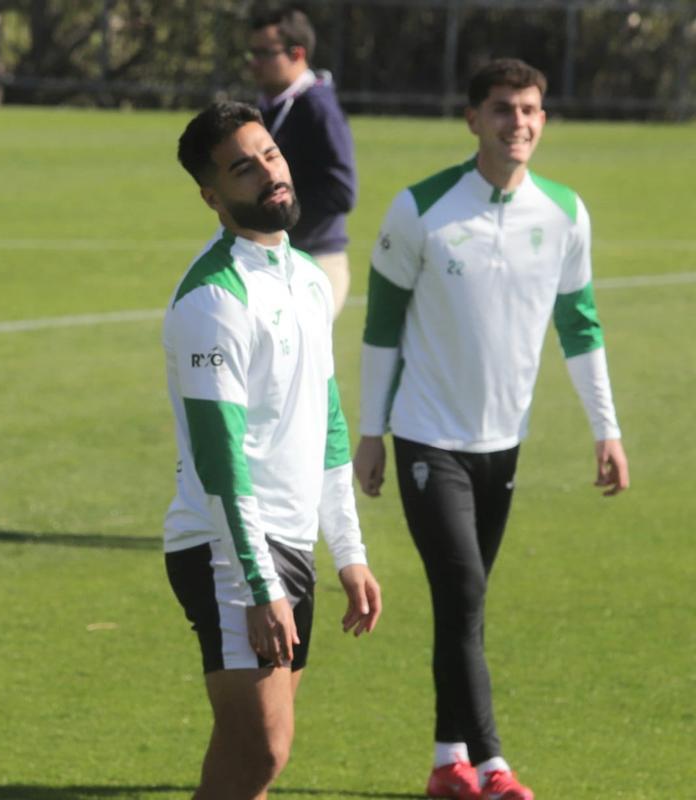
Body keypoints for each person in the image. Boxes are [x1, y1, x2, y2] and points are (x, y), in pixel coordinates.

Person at [353, 59, 630, 800]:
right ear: (472, 118)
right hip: (425, 436)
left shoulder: (565, 214)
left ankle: (448, 762)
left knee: (460, 606)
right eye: (504, 109)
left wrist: (607, 429)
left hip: (503, 444)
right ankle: (494, 766)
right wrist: (372, 432)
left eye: (532, 110)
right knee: (466, 591)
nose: (520, 123)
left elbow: (580, 325)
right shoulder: (420, 210)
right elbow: (381, 326)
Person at [165, 101, 381, 799]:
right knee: (260, 749)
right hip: (228, 547)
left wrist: (347, 552)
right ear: (211, 196)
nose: (268, 174)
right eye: (243, 168)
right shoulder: (212, 300)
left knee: (257, 754)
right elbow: (220, 457)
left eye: (271, 156)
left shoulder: (309, 280)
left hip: (292, 543)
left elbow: (330, 425)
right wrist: (261, 586)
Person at [247, 3, 357, 318]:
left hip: (315, 260)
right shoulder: (269, 104)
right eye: (251, 53)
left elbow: (343, 192)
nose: (254, 63)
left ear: (297, 54)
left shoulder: (318, 108)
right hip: (275, 256)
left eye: (264, 53)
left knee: (297, 366)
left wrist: (273, 202)